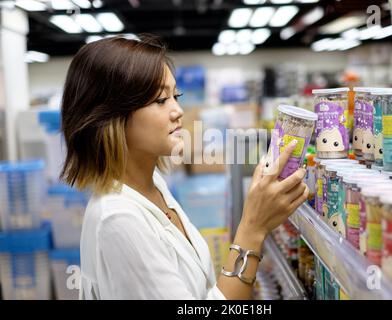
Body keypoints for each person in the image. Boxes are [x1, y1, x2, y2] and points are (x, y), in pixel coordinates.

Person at [60, 34, 309, 300]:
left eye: (175, 95)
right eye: (160, 100)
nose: (178, 110)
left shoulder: (151, 183)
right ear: (110, 115)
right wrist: (253, 228)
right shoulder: (119, 220)